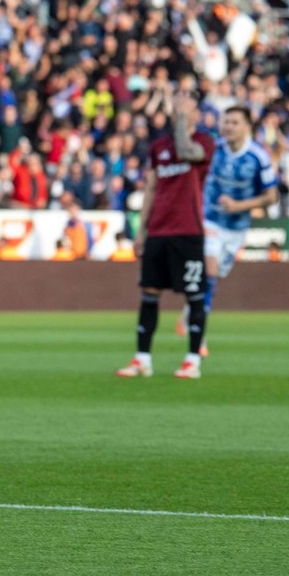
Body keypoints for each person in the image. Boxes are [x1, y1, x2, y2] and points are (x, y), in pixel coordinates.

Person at [116, 91, 214, 380]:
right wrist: (141, 230)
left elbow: (187, 152)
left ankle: (192, 359)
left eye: (186, 107)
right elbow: (151, 188)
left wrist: (182, 118)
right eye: (176, 108)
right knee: (149, 293)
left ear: (196, 114)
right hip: (159, 231)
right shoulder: (159, 146)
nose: (179, 111)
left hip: (188, 231)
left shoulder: (203, 143)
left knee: (194, 295)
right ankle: (142, 358)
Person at [198, 106, 279, 357]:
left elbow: (271, 196)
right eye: (226, 122)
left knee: (218, 274)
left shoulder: (258, 156)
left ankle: (192, 309)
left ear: (246, 127)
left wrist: (239, 206)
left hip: (237, 226)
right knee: (210, 271)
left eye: (234, 122)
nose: (228, 127)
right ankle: (198, 335)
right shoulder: (213, 150)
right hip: (210, 219)